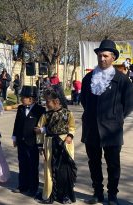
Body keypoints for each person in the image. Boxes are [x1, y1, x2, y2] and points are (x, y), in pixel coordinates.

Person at [81, 39, 133, 205]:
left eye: (105, 56)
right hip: (91, 128)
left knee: (113, 164)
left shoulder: (122, 80)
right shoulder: (88, 78)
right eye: (99, 55)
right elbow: (84, 100)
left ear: (113, 58)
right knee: (93, 163)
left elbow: (129, 103)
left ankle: (112, 195)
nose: (101, 58)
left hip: (112, 129)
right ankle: (97, 193)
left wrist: (117, 118)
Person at [34, 89, 76, 204]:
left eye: (48, 102)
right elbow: (39, 129)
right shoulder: (45, 115)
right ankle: (49, 194)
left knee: (64, 170)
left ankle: (65, 195)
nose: (46, 104)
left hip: (64, 144)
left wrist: (70, 136)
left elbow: (72, 127)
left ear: (56, 101)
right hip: (50, 143)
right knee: (49, 169)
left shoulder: (67, 113)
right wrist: (40, 145)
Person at [12, 86, 46, 197]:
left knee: (32, 166)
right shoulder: (21, 108)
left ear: (31, 99)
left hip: (33, 143)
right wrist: (15, 137)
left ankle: (33, 187)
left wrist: (41, 144)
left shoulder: (40, 110)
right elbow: (17, 124)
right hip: (21, 141)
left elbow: (44, 126)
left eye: (24, 97)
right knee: (22, 164)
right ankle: (22, 185)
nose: (22, 99)